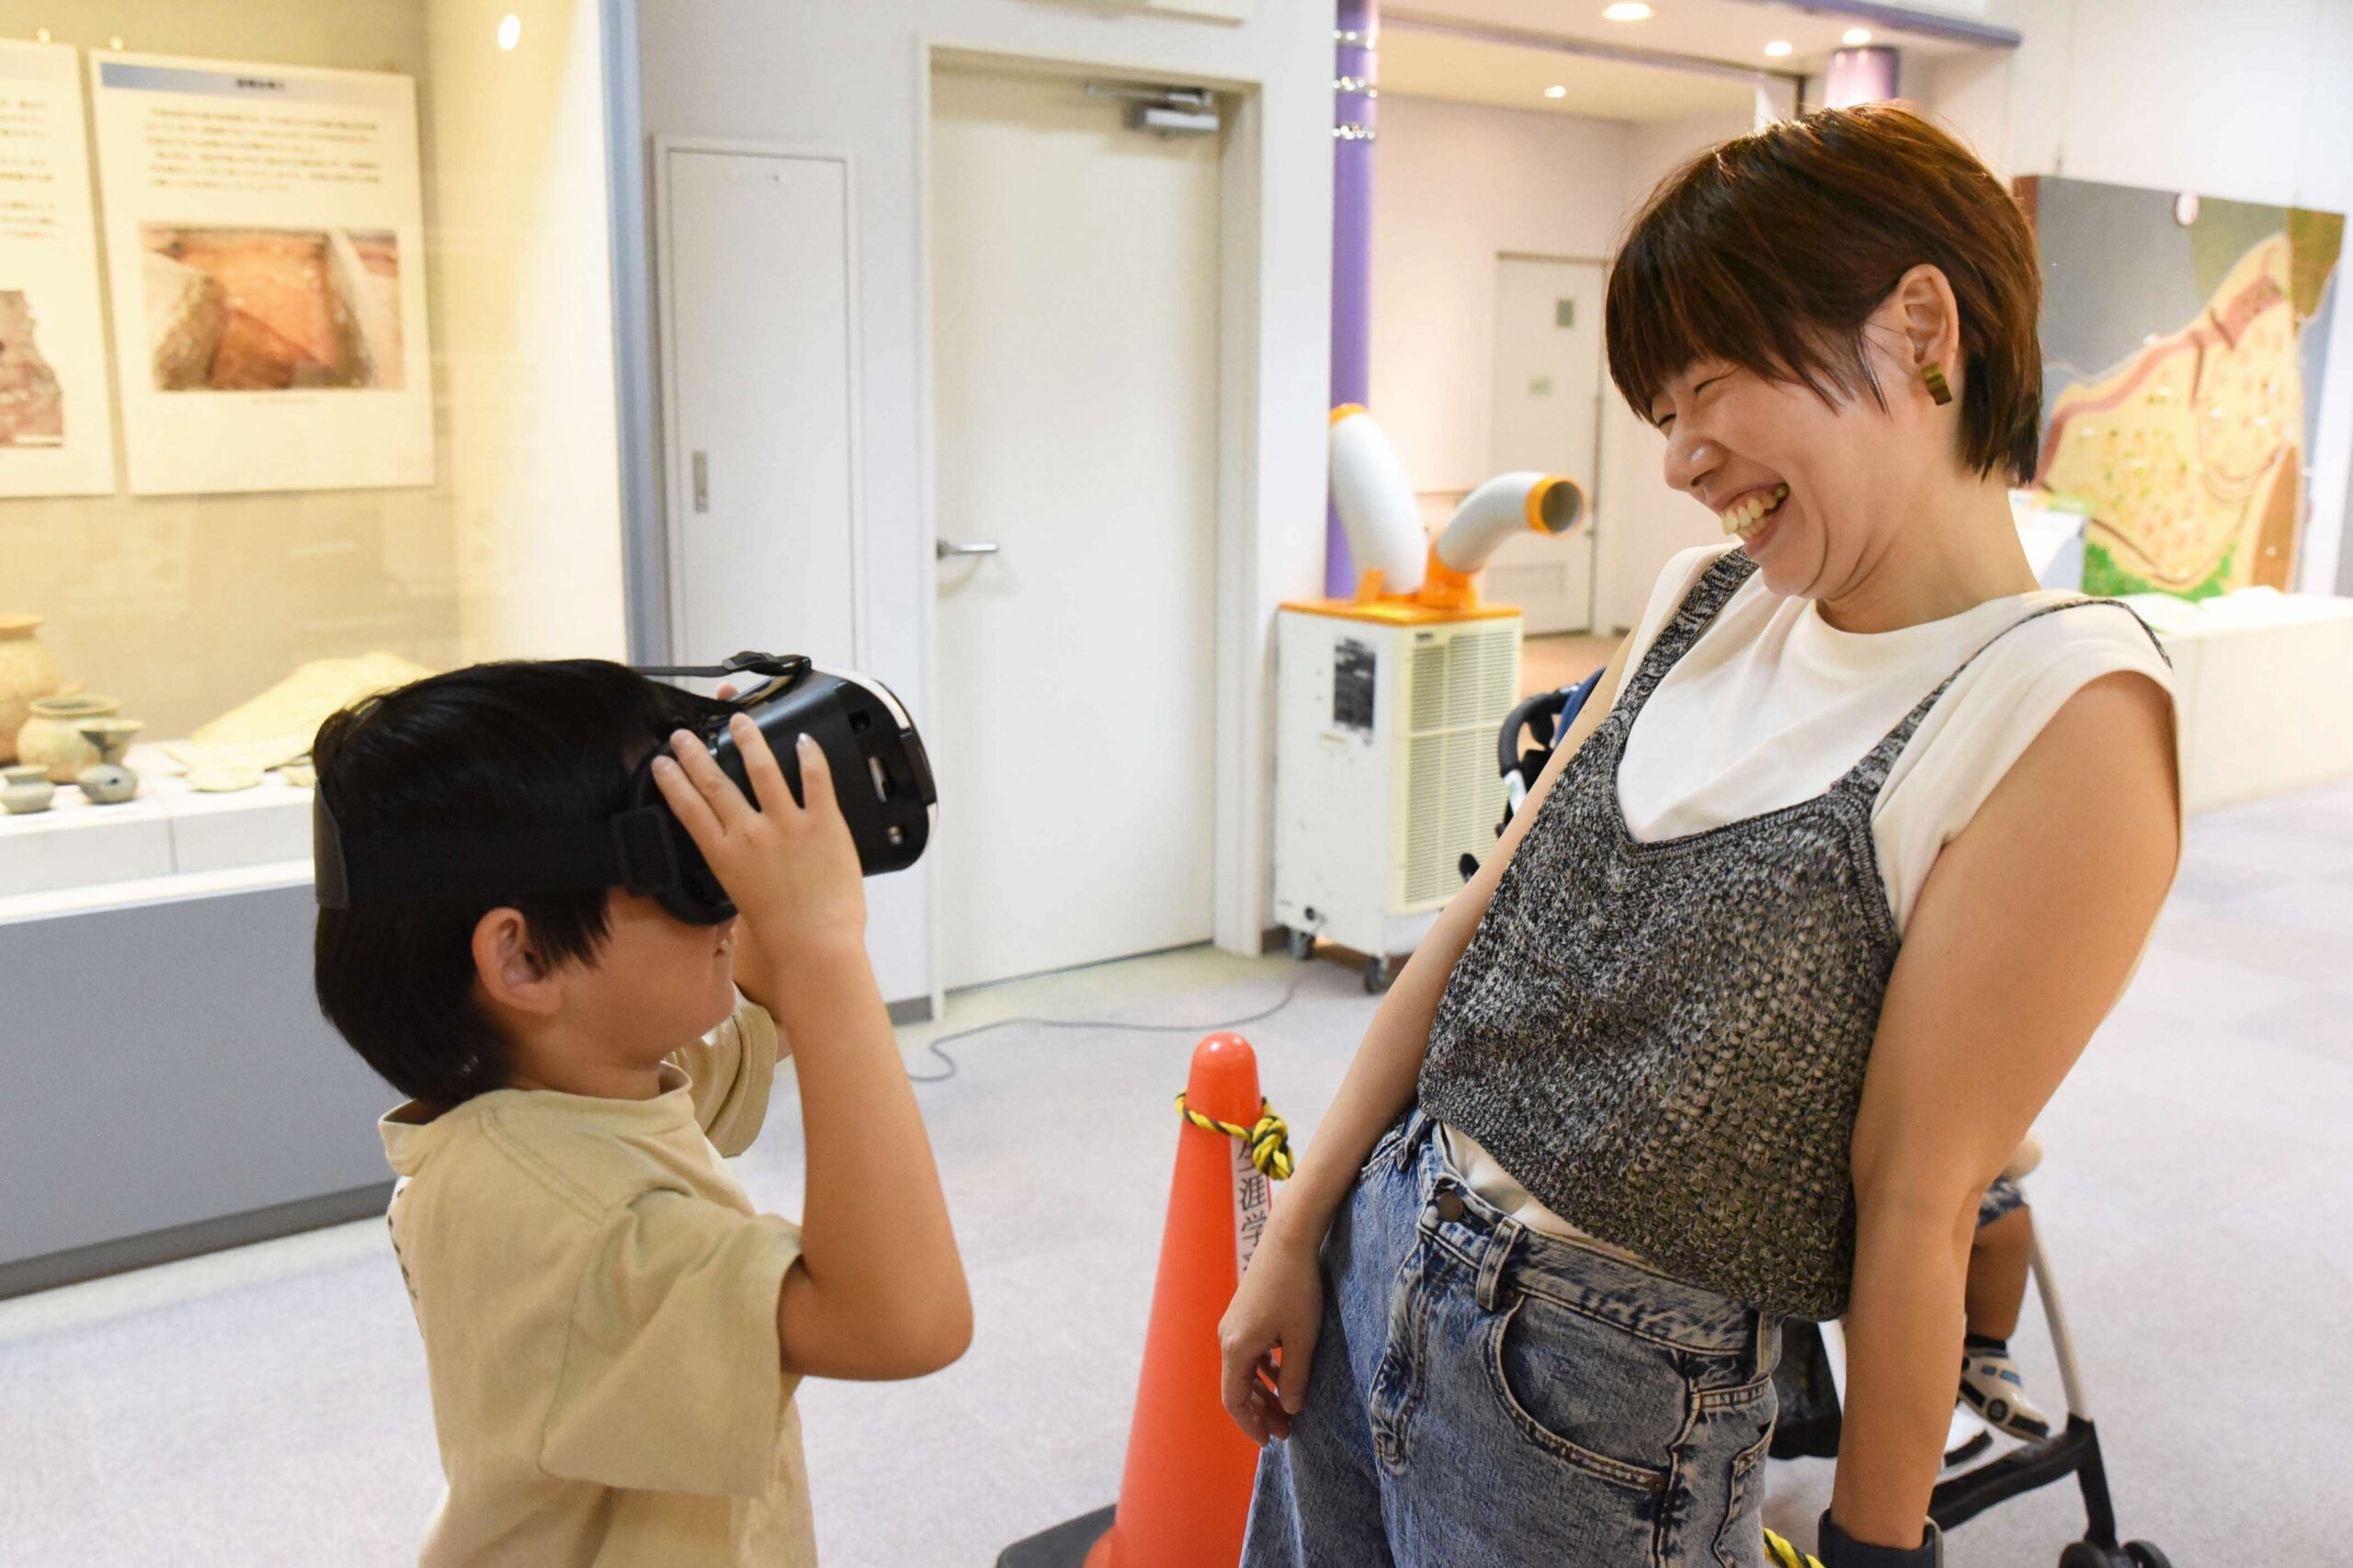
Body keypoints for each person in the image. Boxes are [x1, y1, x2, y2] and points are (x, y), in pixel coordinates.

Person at [1220, 104, 2180, 1567]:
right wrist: (1298, 1227)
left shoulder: (2060, 706)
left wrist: (1877, 1544)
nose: (1679, 457)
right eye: (1660, 411)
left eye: (1706, 387)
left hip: (1598, 1408)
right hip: (1383, 1254)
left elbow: (1917, 1205)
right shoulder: (1701, 600)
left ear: (1922, 325)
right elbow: (1479, 929)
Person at [313, 660, 971, 1567]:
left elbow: (769, 1009)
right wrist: (823, 941)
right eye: (681, 866)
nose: (723, 901)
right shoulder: (562, 1219)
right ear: (524, 959)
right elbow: (904, 1319)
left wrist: (760, 820)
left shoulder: (571, 1088)